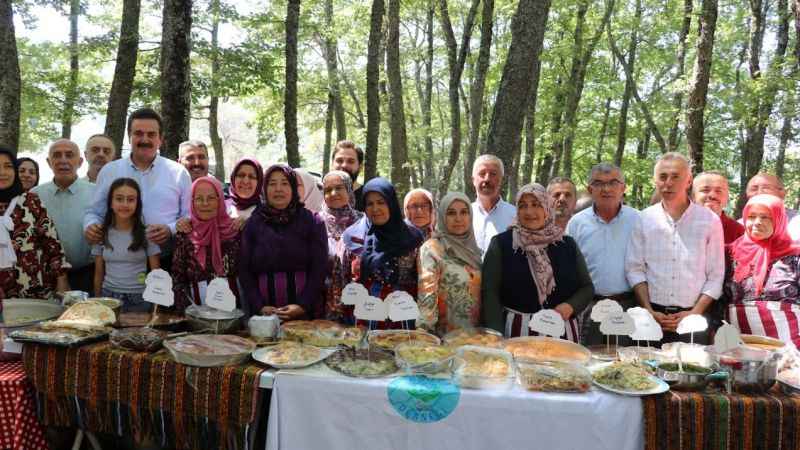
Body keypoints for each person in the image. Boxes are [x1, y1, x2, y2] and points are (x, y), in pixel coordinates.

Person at [625, 153, 725, 345]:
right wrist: (648, 310)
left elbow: (715, 275)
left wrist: (694, 313)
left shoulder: (709, 220)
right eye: (662, 177)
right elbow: (635, 268)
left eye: (675, 176)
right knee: (645, 371)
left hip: (694, 319)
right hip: (651, 318)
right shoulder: (644, 219)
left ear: (688, 181)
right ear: (655, 181)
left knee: (691, 372)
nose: (668, 183)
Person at [481, 183, 593, 341]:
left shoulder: (567, 244)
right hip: (517, 333)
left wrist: (571, 306)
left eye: (536, 204)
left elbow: (587, 287)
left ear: (546, 208)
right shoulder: (502, 244)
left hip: (562, 334)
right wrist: (495, 336)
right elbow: (490, 294)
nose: (529, 211)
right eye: (522, 205)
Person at [84, 108, 192, 269]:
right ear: (129, 136)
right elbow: (94, 212)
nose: (145, 139)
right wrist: (90, 225)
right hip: (120, 265)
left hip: (166, 261)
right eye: (138, 133)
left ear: (160, 139)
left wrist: (170, 229)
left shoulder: (178, 173)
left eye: (151, 134)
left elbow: (189, 214)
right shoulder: (109, 171)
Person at [239, 164, 327, 320]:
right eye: (272, 184)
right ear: (265, 189)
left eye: (285, 183)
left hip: (304, 314)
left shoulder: (312, 222)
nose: (278, 189)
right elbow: (244, 270)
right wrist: (259, 306)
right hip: (264, 316)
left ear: (293, 188)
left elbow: (319, 268)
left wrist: (302, 305)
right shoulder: (253, 223)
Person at [566, 163, 640, 346]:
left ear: (623, 187)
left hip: (627, 306)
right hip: (590, 307)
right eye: (598, 183)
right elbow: (568, 269)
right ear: (590, 189)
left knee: (626, 362)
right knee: (589, 361)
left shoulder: (639, 220)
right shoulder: (576, 223)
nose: (606, 189)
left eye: (613, 182)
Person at [340, 177, 424, 329]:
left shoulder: (413, 238)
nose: (375, 208)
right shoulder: (353, 237)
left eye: (381, 202)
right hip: (363, 320)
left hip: (402, 319)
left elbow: (422, 284)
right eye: (369, 204)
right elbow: (343, 282)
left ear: (391, 203)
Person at [727, 194, 800, 347]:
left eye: (766, 217)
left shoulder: (794, 258)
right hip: (740, 348)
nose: (757, 223)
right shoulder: (730, 254)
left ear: (779, 220)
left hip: (788, 349)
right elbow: (720, 300)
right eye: (752, 216)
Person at [0, 148, 68, 299]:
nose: (3, 172)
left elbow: (52, 244)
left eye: (8, 166)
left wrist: (62, 280)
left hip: (34, 290)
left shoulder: (31, 201)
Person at [32, 139, 96, 293]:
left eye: (69, 155)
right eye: (57, 155)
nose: (63, 160)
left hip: (87, 274)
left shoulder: (97, 192)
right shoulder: (34, 195)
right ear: (49, 162)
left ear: (80, 162)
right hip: (48, 276)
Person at [172, 176, 241, 312]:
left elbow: (248, 274)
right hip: (197, 315)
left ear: (220, 200)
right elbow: (178, 279)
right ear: (192, 202)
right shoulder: (186, 233)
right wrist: (188, 313)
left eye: (210, 198)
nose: (204, 203)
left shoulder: (235, 230)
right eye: (199, 199)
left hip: (234, 314)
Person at [417, 192, 482, 335]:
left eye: (464, 212)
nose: (458, 218)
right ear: (442, 217)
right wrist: (424, 336)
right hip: (445, 340)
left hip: (476, 339)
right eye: (451, 213)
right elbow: (427, 298)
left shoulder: (474, 249)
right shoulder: (432, 249)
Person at [91, 178, 161, 312]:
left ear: (137, 204)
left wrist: (155, 308)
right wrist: (97, 302)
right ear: (110, 203)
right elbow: (98, 273)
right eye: (119, 199)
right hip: (108, 298)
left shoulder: (148, 233)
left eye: (130, 199)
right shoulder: (101, 234)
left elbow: (156, 274)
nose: (125, 204)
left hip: (140, 299)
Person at [319, 170, 364, 321]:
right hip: (323, 298)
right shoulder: (317, 222)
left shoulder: (363, 220)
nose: (333, 193)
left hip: (359, 297)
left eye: (339, 188)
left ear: (349, 190)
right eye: (328, 190)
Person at [471, 154, 516, 256]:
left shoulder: (515, 216)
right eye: (482, 174)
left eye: (493, 174)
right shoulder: (463, 215)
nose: (487, 179)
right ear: (473, 180)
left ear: (502, 180)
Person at [743, 172, 800, 240]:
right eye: (754, 189)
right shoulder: (738, 225)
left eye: (766, 188)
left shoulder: (797, 221)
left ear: (782, 193)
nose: (760, 193)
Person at [693, 171, 744, 245]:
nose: (712, 195)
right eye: (705, 190)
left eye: (718, 191)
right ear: (693, 196)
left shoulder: (739, 232)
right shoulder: (679, 226)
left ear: (727, 198)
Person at [331, 140, 365, 210]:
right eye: (339, 161)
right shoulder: (321, 195)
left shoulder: (368, 197)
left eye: (350, 161)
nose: (344, 165)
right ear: (332, 164)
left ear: (360, 167)